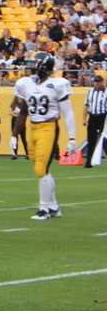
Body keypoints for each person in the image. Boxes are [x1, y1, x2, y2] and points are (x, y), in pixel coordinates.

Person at [11, 52, 77, 220]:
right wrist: (14, 135)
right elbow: (23, 111)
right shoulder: (25, 83)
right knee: (41, 170)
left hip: (48, 127)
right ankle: (53, 207)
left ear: (45, 67)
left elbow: (68, 112)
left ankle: (44, 209)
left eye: (36, 63)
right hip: (32, 127)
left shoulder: (58, 84)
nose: (33, 66)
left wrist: (72, 138)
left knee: (41, 169)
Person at [83, 75, 106, 168]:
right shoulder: (90, 92)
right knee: (91, 140)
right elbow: (86, 106)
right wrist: (84, 119)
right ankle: (89, 162)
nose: (96, 84)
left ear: (102, 82)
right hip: (92, 117)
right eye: (95, 82)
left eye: (98, 82)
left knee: (104, 140)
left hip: (103, 117)